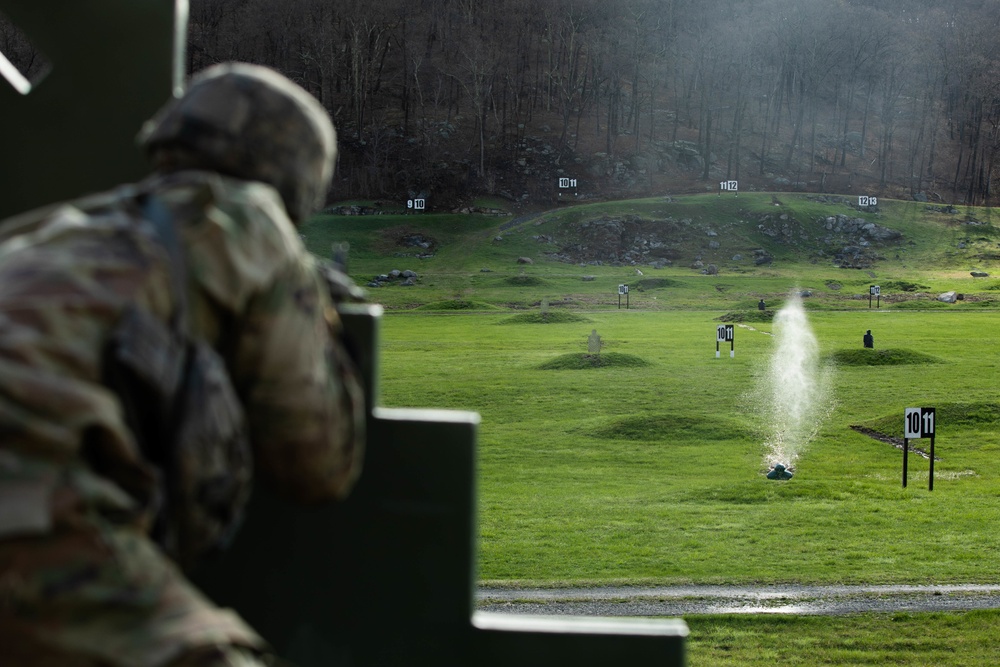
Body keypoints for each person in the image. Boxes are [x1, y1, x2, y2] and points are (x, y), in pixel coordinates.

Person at [0, 63, 364, 667]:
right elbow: (315, 463)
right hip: (29, 507)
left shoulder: (52, 231)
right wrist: (313, 311)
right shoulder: (249, 220)